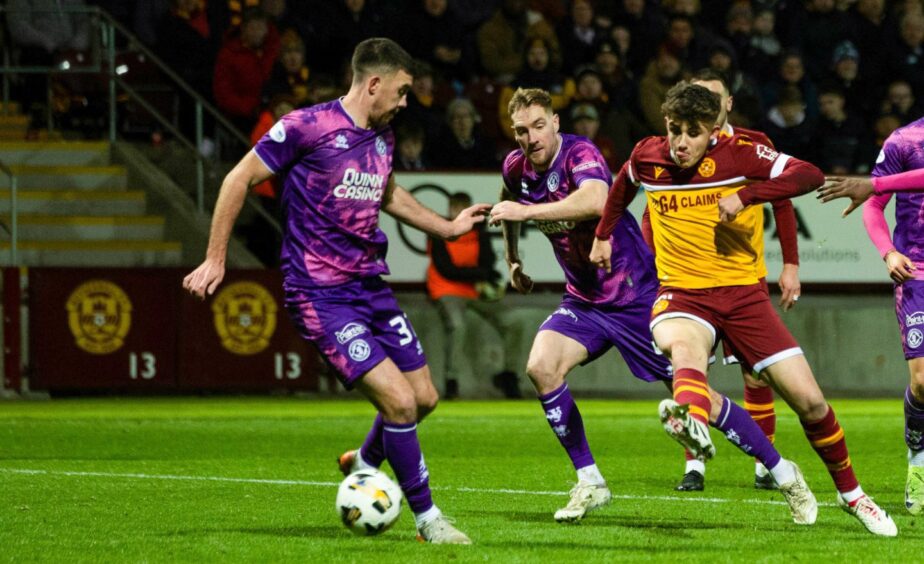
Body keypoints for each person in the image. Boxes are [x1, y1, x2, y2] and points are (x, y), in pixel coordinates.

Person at [183, 38, 488, 545]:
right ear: (374, 83)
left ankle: (363, 460)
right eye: (402, 91)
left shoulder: (383, 138)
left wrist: (447, 228)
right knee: (399, 404)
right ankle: (429, 522)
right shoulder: (308, 126)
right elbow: (238, 177)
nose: (406, 102)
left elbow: (387, 191)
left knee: (425, 398)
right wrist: (215, 257)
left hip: (370, 287)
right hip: (319, 294)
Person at [489, 87, 817, 526]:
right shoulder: (517, 167)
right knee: (541, 367)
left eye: (538, 126)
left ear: (555, 123)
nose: (531, 138)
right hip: (584, 300)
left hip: (635, 295)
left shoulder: (579, 153)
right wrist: (513, 259)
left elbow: (594, 199)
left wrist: (525, 215)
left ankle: (782, 470)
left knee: (701, 402)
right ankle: (590, 480)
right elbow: (508, 203)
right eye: (521, 131)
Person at [589, 81, 898, 537]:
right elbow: (621, 186)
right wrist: (602, 235)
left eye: (692, 132)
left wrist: (747, 196)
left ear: (714, 129)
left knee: (811, 403)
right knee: (684, 352)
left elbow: (808, 175)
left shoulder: (742, 155)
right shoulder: (647, 155)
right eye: (674, 130)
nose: (680, 142)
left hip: (744, 298)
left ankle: (852, 495)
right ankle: (693, 427)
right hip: (682, 295)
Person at [644, 69, 802, 493]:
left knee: (756, 375)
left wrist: (791, 264)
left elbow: (784, 201)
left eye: (711, 100)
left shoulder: (754, 147)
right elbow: (649, 209)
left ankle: (765, 464)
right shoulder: (673, 152)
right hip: (690, 283)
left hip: (741, 275)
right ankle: (694, 465)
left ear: (726, 105)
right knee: (690, 368)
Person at [817, 117, 924, 516]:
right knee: (923, 380)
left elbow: (873, 190)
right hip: (917, 270)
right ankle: (917, 450)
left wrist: (873, 184)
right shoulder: (905, 140)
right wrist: (887, 251)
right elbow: (873, 208)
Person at [427, 192, 521, 400]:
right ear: (450, 210)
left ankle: (509, 375)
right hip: (446, 290)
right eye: (456, 210)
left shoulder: (480, 233)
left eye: (464, 209)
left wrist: (483, 273)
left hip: (475, 291)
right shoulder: (440, 232)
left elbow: (488, 263)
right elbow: (447, 270)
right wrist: (480, 273)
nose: (460, 214)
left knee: (513, 322)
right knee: (458, 326)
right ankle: (451, 382)